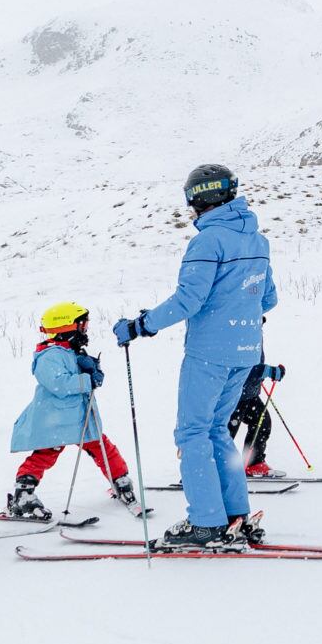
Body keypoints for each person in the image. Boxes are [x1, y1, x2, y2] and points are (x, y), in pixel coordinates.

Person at [115, 164, 278, 549]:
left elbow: (189, 299)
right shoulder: (257, 240)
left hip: (209, 352)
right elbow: (268, 298)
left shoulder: (207, 242)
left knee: (192, 433)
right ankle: (235, 513)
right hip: (245, 350)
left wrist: (141, 325)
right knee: (216, 430)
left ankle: (205, 522)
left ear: (197, 199)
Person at [6, 303, 137, 520]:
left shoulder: (70, 351)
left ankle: (121, 481)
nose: (85, 328)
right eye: (82, 323)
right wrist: (87, 379)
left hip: (79, 417)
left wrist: (92, 369)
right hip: (55, 418)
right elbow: (58, 384)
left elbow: (79, 376)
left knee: (102, 446)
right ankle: (23, 494)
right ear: (67, 326)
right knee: (46, 454)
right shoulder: (49, 355)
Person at [230, 359, 286, 478]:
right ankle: (205, 471)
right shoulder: (233, 340)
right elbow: (235, 362)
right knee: (224, 433)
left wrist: (259, 375)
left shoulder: (255, 339)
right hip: (231, 395)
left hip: (248, 394)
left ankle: (253, 462)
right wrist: (262, 371)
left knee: (262, 422)